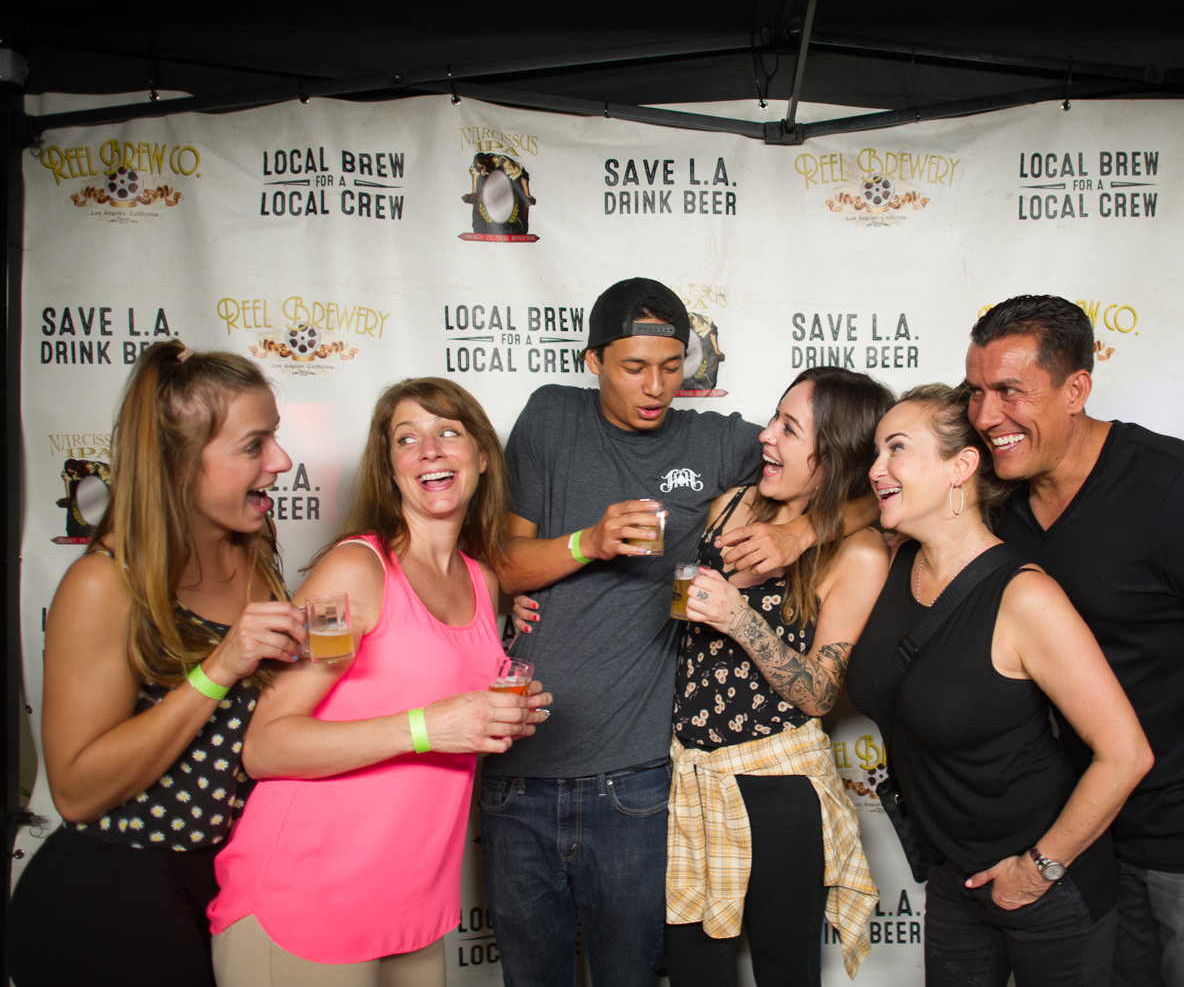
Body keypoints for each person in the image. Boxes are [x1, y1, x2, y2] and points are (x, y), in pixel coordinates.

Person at [489, 278, 874, 987]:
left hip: (642, 778)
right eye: (635, 367)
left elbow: (867, 484)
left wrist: (798, 535)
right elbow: (504, 566)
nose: (656, 386)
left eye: (672, 366)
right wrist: (586, 543)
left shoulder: (716, 441)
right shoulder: (550, 417)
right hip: (531, 766)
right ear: (593, 360)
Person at [969, 295, 1184, 986]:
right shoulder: (999, 493)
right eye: (976, 392)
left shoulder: (1182, 493)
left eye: (1010, 392)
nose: (985, 417)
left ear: (1076, 390)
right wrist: (800, 531)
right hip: (1084, 840)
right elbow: (897, 484)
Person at [208, 377, 550, 986]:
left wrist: (498, 719)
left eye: (448, 432)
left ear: (481, 457)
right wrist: (427, 727)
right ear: (390, 468)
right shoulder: (356, 571)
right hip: (308, 898)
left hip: (412, 907)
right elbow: (266, 745)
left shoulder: (482, 582)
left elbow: (442, 706)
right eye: (407, 439)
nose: (430, 450)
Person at [4, 342, 303, 987]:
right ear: (179, 464)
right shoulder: (105, 583)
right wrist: (219, 667)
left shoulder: (253, 546)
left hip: (219, 877)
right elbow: (77, 791)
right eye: (254, 445)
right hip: (112, 887)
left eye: (275, 437)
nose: (281, 461)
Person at [848, 383, 1154, 987]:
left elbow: (1126, 754)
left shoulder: (1024, 597)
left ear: (961, 466)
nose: (876, 469)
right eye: (876, 453)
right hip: (954, 877)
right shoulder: (896, 563)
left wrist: (1039, 869)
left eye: (897, 449)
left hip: (1048, 888)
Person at [665, 367, 892, 987]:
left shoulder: (859, 552)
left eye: (790, 429)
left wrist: (739, 618)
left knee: (785, 973)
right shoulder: (732, 505)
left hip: (778, 790)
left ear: (835, 455)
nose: (766, 435)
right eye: (775, 418)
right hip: (690, 782)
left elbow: (818, 694)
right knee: (693, 972)